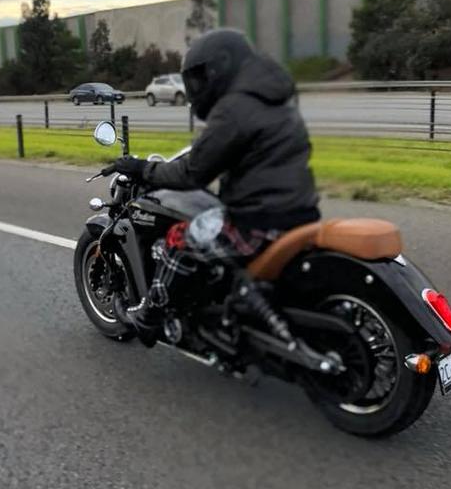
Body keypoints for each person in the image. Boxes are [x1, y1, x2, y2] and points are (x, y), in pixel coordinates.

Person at [111, 28, 320, 345]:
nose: (196, 88)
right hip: (301, 211)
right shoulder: (277, 98)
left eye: (199, 77)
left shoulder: (235, 108)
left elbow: (192, 173)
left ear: (220, 67)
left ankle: (149, 318)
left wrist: (143, 168)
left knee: (179, 239)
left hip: (259, 221)